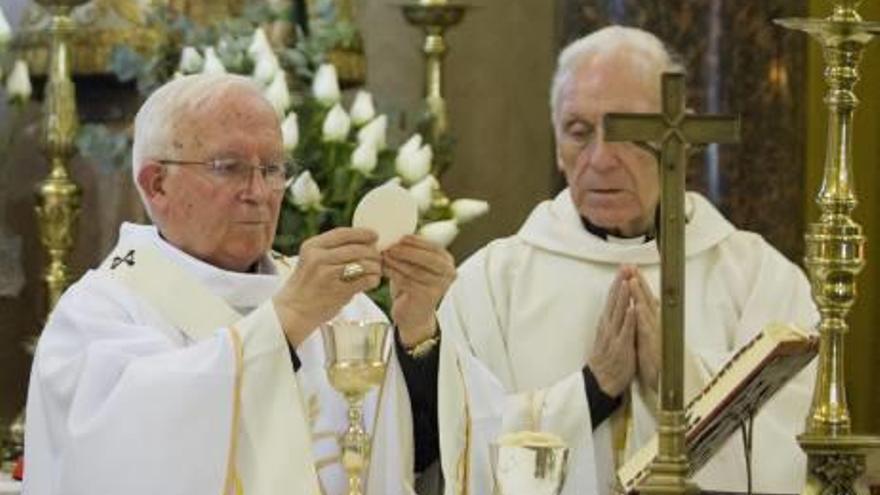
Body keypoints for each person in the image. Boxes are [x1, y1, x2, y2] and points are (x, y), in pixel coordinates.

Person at [23, 73, 454, 495]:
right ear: (157, 185)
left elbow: (412, 456)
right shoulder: (99, 313)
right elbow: (122, 455)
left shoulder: (341, 306)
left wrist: (417, 334)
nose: (260, 191)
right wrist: (288, 321)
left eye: (272, 169)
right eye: (229, 167)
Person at [436, 26, 817, 495]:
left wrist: (674, 379)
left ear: (683, 139)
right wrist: (592, 392)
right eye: (579, 133)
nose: (601, 159)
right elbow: (462, 442)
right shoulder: (491, 285)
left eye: (629, 132)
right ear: (557, 145)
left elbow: (796, 446)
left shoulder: (759, 279)